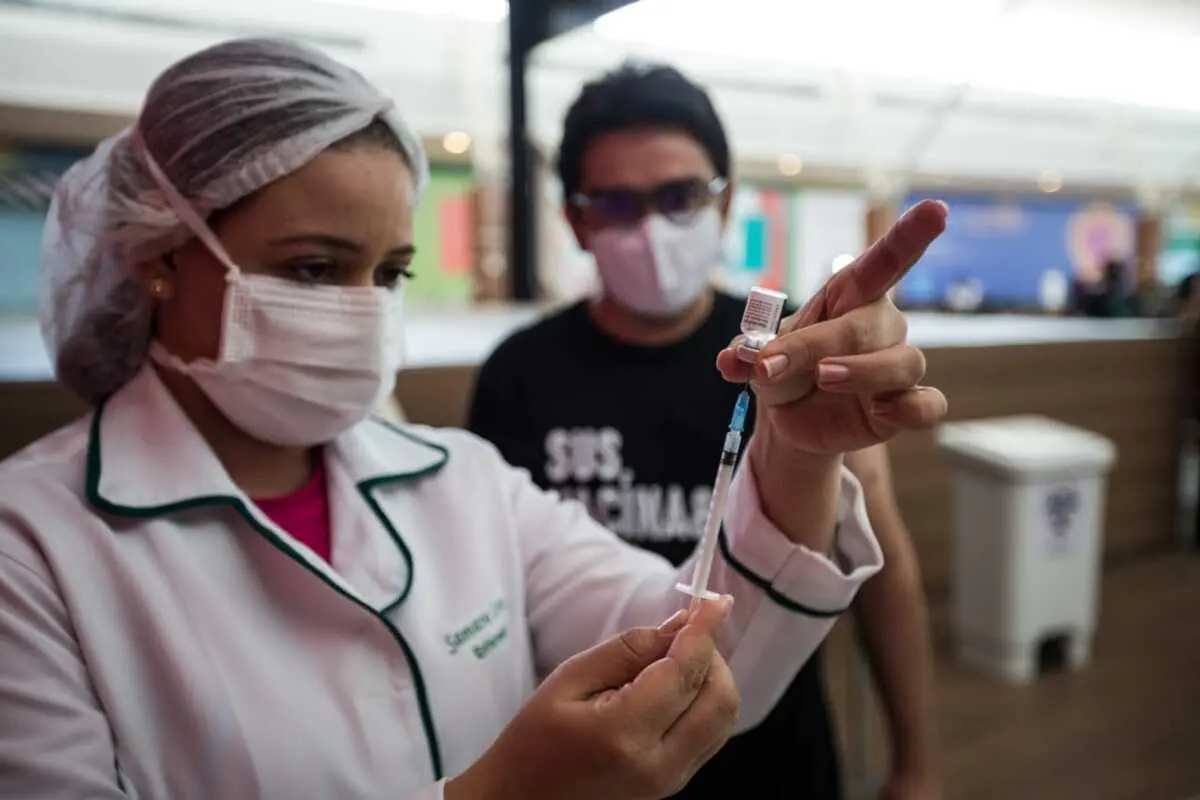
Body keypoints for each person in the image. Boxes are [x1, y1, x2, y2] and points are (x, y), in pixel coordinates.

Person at [0, 39, 949, 799]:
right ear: (160, 257)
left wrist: (795, 454)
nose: (363, 309)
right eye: (314, 269)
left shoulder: (460, 481)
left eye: (391, 272)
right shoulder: (31, 553)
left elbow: (704, 653)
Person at [468, 63, 941, 800]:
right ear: (576, 221)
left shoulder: (793, 360)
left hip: (774, 759)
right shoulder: (518, 374)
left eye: (681, 196)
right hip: (593, 773)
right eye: (616, 203)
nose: (652, 228)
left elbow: (883, 570)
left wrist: (916, 767)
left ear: (724, 203)